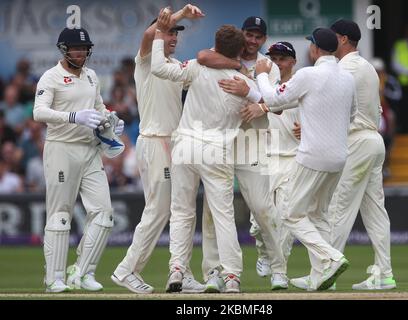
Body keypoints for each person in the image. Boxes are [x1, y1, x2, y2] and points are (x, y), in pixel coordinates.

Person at [152, 11, 261, 293]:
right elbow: (264, 107)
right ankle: (232, 277)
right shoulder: (244, 83)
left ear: (215, 45)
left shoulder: (197, 66)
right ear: (238, 50)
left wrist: (160, 36)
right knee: (223, 215)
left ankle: (176, 269)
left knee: (181, 212)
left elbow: (159, 69)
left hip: (185, 146)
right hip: (216, 151)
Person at [243, 27, 355, 290]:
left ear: (315, 49)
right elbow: (351, 116)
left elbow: (272, 99)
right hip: (339, 157)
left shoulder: (308, 74)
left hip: (312, 155)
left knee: (291, 214)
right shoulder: (347, 78)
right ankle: (320, 276)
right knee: (318, 215)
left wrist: (260, 76)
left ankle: (331, 258)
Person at [290, 20, 396, 291]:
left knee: (335, 209)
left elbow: (325, 101)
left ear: (344, 39)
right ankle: (384, 273)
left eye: (333, 37)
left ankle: (325, 273)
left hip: (356, 142)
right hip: (374, 141)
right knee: (375, 212)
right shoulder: (368, 67)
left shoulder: (344, 68)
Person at [111, 4, 206, 294]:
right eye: (168, 33)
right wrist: (173, 17)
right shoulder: (145, 62)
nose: (173, 37)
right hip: (153, 141)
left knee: (182, 210)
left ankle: (182, 271)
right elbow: (147, 35)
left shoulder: (175, 66)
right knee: (159, 210)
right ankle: (127, 270)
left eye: (176, 33)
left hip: (176, 143)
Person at [197, 16, 288, 290]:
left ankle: (279, 268)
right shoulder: (222, 56)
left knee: (262, 207)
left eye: (258, 37)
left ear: (264, 39)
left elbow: (279, 104)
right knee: (213, 211)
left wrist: (257, 101)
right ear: (242, 33)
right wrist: (240, 70)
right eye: (249, 34)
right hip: (220, 141)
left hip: (252, 141)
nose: (253, 41)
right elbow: (202, 57)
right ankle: (213, 272)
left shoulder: (268, 66)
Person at [33, 26, 125, 293]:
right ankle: (54, 279)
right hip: (61, 148)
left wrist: (110, 121)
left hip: (90, 149)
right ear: (64, 50)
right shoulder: (51, 77)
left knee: (104, 214)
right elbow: (39, 112)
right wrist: (73, 117)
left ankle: (82, 272)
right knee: (60, 215)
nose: (81, 53)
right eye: (76, 48)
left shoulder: (92, 76)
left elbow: (98, 108)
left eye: (85, 49)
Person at [263, 41, 300, 262]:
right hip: (266, 157)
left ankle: (280, 267)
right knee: (260, 217)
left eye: (282, 59)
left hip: (293, 157)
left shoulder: (301, 84)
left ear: (293, 62)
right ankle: (264, 254)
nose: (278, 64)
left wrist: (310, 128)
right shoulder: (266, 84)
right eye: (274, 59)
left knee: (285, 215)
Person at [370, 57, 400, 179]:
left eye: (379, 70)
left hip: (385, 109)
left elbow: (397, 94)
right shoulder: (367, 80)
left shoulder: (389, 80)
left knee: (390, 123)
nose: (377, 72)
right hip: (372, 110)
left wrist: (384, 91)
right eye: (375, 70)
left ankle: (386, 165)